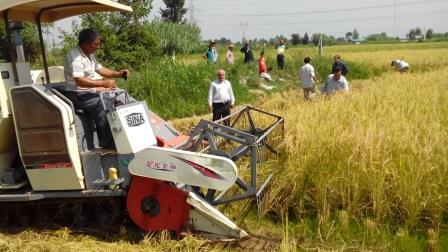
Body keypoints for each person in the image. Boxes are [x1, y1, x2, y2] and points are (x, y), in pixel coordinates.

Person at [63, 28, 129, 149]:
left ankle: (123, 136)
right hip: (77, 95)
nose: (98, 46)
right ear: (85, 43)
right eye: (96, 44)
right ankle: (108, 143)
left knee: (119, 96)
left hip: (87, 92)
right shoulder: (76, 59)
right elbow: (79, 81)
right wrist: (102, 84)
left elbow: (101, 69)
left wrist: (119, 74)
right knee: (101, 103)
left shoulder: (89, 55)